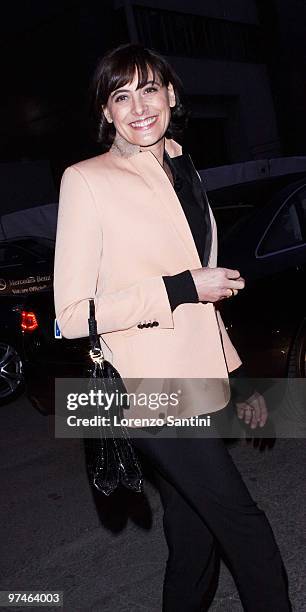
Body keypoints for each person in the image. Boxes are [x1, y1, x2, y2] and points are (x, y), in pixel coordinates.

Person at [53, 43, 292, 611]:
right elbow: (73, 317)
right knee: (246, 528)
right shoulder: (86, 180)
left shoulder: (185, 170)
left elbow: (208, 303)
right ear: (105, 111)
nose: (139, 106)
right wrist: (182, 286)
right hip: (148, 393)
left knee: (194, 537)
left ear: (172, 95)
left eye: (150, 89)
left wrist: (240, 379)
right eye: (121, 95)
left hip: (200, 384)